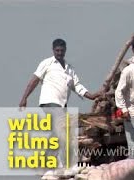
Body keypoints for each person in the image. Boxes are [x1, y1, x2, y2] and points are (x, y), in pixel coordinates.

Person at [18, 38, 102, 168]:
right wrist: (24, 98)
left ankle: (47, 158)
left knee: (59, 132)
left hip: (62, 105)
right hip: (49, 102)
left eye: (62, 51)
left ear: (65, 51)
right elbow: (34, 80)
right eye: (57, 50)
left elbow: (77, 86)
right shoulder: (47, 63)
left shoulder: (69, 69)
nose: (59, 53)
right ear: (53, 50)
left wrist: (91, 96)